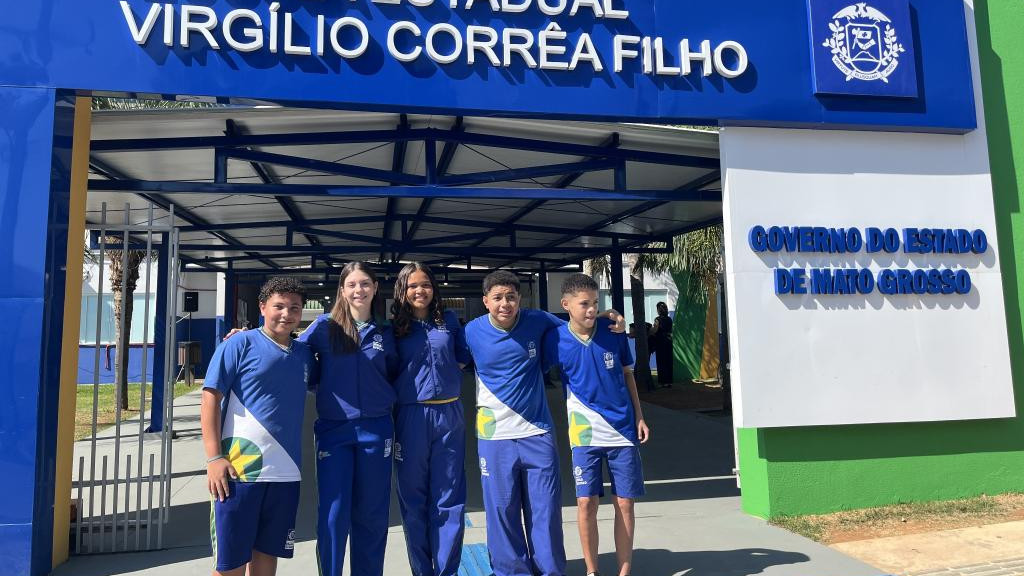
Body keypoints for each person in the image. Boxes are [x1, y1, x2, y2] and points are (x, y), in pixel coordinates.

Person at [464, 270, 624, 576]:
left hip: (537, 433)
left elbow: (576, 322)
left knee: (545, 509)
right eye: (497, 298)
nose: (505, 304)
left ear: (520, 299)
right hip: (494, 436)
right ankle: (511, 571)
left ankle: (549, 570)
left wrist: (605, 315)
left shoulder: (537, 320)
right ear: (485, 301)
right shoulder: (471, 331)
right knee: (502, 511)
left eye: (511, 297)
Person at [201, 276, 315, 576]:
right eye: (279, 306)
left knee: (266, 556)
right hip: (239, 472)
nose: (286, 314)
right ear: (262, 307)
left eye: (294, 307)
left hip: (286, 473)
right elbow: (210, 398)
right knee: (230, 564)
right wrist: (214, 458)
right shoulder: (239, 343)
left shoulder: (304, 354)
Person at [543, 273, 650, 576]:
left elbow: (628, 374)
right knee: (586, 502)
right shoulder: (555, 339)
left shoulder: (613, 330)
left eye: (595, 303)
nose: (591, 309)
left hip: (622, 431)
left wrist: (639, 415)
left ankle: (624, 572)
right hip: (583, 433)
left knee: (625, 503)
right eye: (584, 304)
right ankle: (592, 571)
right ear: (566, 305)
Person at [300, 262, 398, 576]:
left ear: (375, 288)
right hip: (334, 430)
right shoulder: (324, 327)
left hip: (376, 429)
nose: (359, 290)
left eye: (365, 283)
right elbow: (288, 351)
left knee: (372, 513)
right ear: (342, 290)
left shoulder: (386, 330)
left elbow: (397, 371)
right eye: (352, 284)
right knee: (333, 512)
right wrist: (247, 339)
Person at [391, 263, 471, 576]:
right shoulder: (393, 328)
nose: (419, 291)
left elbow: (463, 355)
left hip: (449, 415)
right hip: (411, 416)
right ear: (402, 291)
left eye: (425, 284)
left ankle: (447, 570)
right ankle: (422, 570)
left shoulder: (448, 321)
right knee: (413, 500)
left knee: (449, 496)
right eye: (412, 286)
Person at [649, 301, 674, 387]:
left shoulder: (658, 319)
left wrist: (649, 332)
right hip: (669, 341)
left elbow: (655, 330)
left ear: (659, 310)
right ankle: (669, 381)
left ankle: (662, 382)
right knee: (668, 360)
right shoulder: (669, 319)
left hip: (660, 341)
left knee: (661, 361)